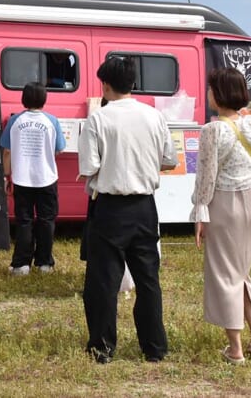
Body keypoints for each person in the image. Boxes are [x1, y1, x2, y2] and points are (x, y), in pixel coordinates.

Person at [78, 57, 177, 364]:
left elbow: (89, 166)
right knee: (148, 280)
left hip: (109, 207)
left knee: (104, 281)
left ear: (105, 86)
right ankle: (154, 347)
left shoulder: (98, 119)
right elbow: (169, 159)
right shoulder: (153, 116)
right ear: (133, 83)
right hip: (145, 206)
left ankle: (103, 347)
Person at [190, 67, 251, 365]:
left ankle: (236, 348)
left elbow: (206, 178)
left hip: (225, 204)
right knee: (241, 272)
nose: (208, 94)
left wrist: (200, 214)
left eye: (210, 88)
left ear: (218, 94)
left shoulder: (212, 130)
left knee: (224, 274)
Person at [0, 82, 65, 275]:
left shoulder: (15, 121)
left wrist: (6, 176)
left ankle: (21, 264)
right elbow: (59, 148)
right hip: (46, 178)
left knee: (24, 221)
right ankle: (45, 263)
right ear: (44, 99)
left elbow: (7, 152)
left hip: (21, 178)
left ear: (24, 99)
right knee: (46, 220)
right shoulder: (52, 121)